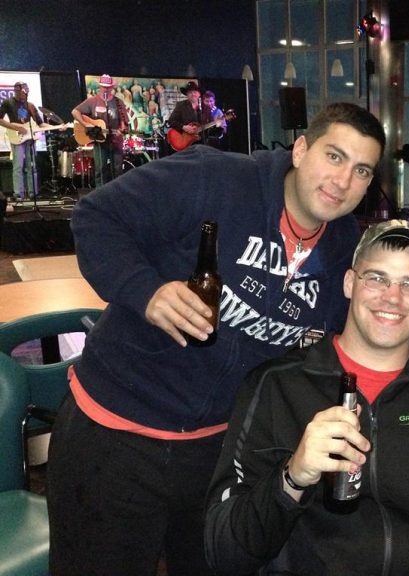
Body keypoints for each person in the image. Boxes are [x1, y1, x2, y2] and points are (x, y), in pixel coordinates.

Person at [46, 102, 388, 576]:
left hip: (215, 456)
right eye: (334, 156)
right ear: (301, 149)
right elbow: (96, 217)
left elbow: (370, 326)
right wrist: (146, 291)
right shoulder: (215, 177)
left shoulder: (342, 251)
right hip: (114, 436)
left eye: (361, 169)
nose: (342, 180)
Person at [204, 220, 409, 575]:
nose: (393, 297)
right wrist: (292, 477)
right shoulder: (277, 387)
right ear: (350, 283)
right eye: (377, 278)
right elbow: (224, 551)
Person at [72, 74, 127, 186]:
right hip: (99, 140)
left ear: (112, 88)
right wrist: (86, 124)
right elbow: (75, 112)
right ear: (100, 87)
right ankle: (100, 197)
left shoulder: (118, 102)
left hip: (116, 141)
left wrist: (122, 129)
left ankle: (117, 195)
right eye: (103, 86)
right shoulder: (92, 101)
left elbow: (124, 122)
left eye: (108, 87)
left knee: (117, 170)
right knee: (100, 170)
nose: (105, 89)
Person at [0, 81, 48, 200]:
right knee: (18, 166)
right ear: (16, 90)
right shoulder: (8, 102)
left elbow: (40, 124)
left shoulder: (30, 105)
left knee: (32, 166)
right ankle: (18, 194)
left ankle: (33, 193)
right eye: (21, 92)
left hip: (29, 139)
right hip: (17, 137)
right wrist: (16, 127)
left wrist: (59, 126)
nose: (23, 94)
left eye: (25, 92)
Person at [166, 80, 208, 151]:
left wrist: (218, 125)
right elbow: (171, 121)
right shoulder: (181, 105)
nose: (193, 94)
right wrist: (183, 127)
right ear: (187, 95)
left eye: (195, 92)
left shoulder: (206, 108)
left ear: (199, 94)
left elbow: (210, 127)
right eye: (190, 92)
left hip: (201, 144)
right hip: (186, 144)